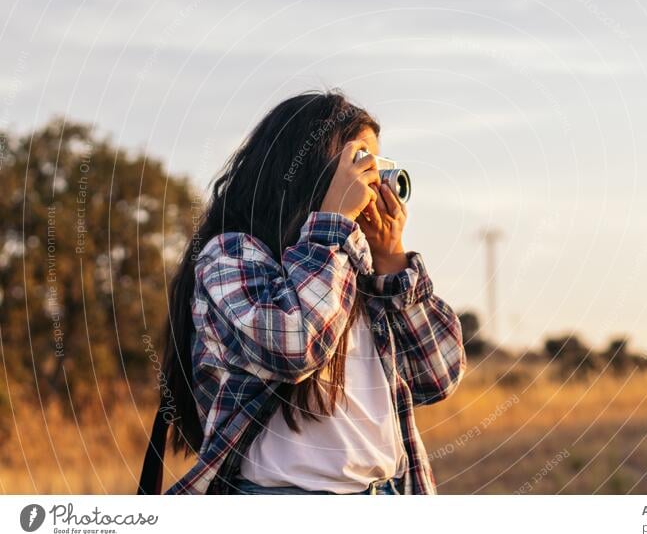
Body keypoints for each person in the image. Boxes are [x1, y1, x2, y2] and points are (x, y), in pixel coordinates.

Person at [139, 90, 466, 495]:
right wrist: (331, 225)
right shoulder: (232, 257)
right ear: (313, 168)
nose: (376, 183)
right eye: (362, 163)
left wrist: (392, 259)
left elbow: (438, 377)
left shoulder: (353, 269)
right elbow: (295, 347)